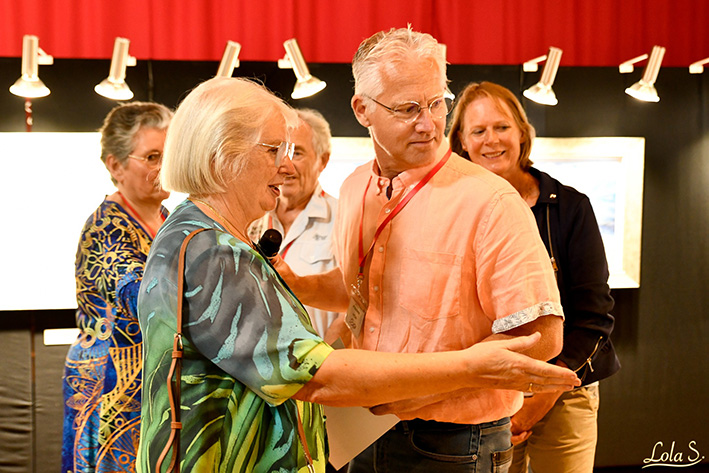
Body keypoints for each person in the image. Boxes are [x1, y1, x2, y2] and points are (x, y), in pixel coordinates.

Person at [135, 76, 580, 473]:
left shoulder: (207, 235)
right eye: (273, 150)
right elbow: (316, 374)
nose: (286, 167)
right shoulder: (210, 249)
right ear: (221, 153)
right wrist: (473, 366)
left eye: (434, 105)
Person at [273, 27, 567, 473]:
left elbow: (542, 337)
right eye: (409, 109)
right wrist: (299, 286)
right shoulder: (355, 187)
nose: (429, 123)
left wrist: (430, 391)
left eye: (436, 103)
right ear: (362, 110)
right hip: (359, 427)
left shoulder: (491, 202)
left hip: (454, 441)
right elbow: (356, 289)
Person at [449, 81, 621, 473]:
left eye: (502, 127)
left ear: (522, 132)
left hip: (564, 388)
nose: (491, 140)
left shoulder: (572, 208)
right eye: (478, 130)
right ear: (461, 141)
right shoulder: (454, 213)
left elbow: (594, 317)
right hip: (484, 393)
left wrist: (540, 396)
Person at [61, 101, 172, 473]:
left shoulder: (167, 220)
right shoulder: (107, 226)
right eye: (152, 156)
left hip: (155, 380)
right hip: (111, 380)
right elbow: (137, 292)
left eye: (168, 155)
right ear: (115, 165)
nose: (163, 167)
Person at [249, 108, 341, 339]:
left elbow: (355, 302)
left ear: (323, 160)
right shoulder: (250, 218)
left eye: (297, 153)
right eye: (279, 153)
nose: (286, 166)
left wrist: (324, 363)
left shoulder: (343, 217)